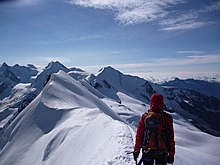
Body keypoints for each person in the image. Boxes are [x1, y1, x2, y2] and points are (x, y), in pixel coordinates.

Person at [133, 94, 175, 165]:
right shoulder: (167, 118)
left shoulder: (145, 117)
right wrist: (171, 155)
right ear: (162, 103)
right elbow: (171, 138)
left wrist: (136, 150)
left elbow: (139, 136)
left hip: (147, 150)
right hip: (162, 151)